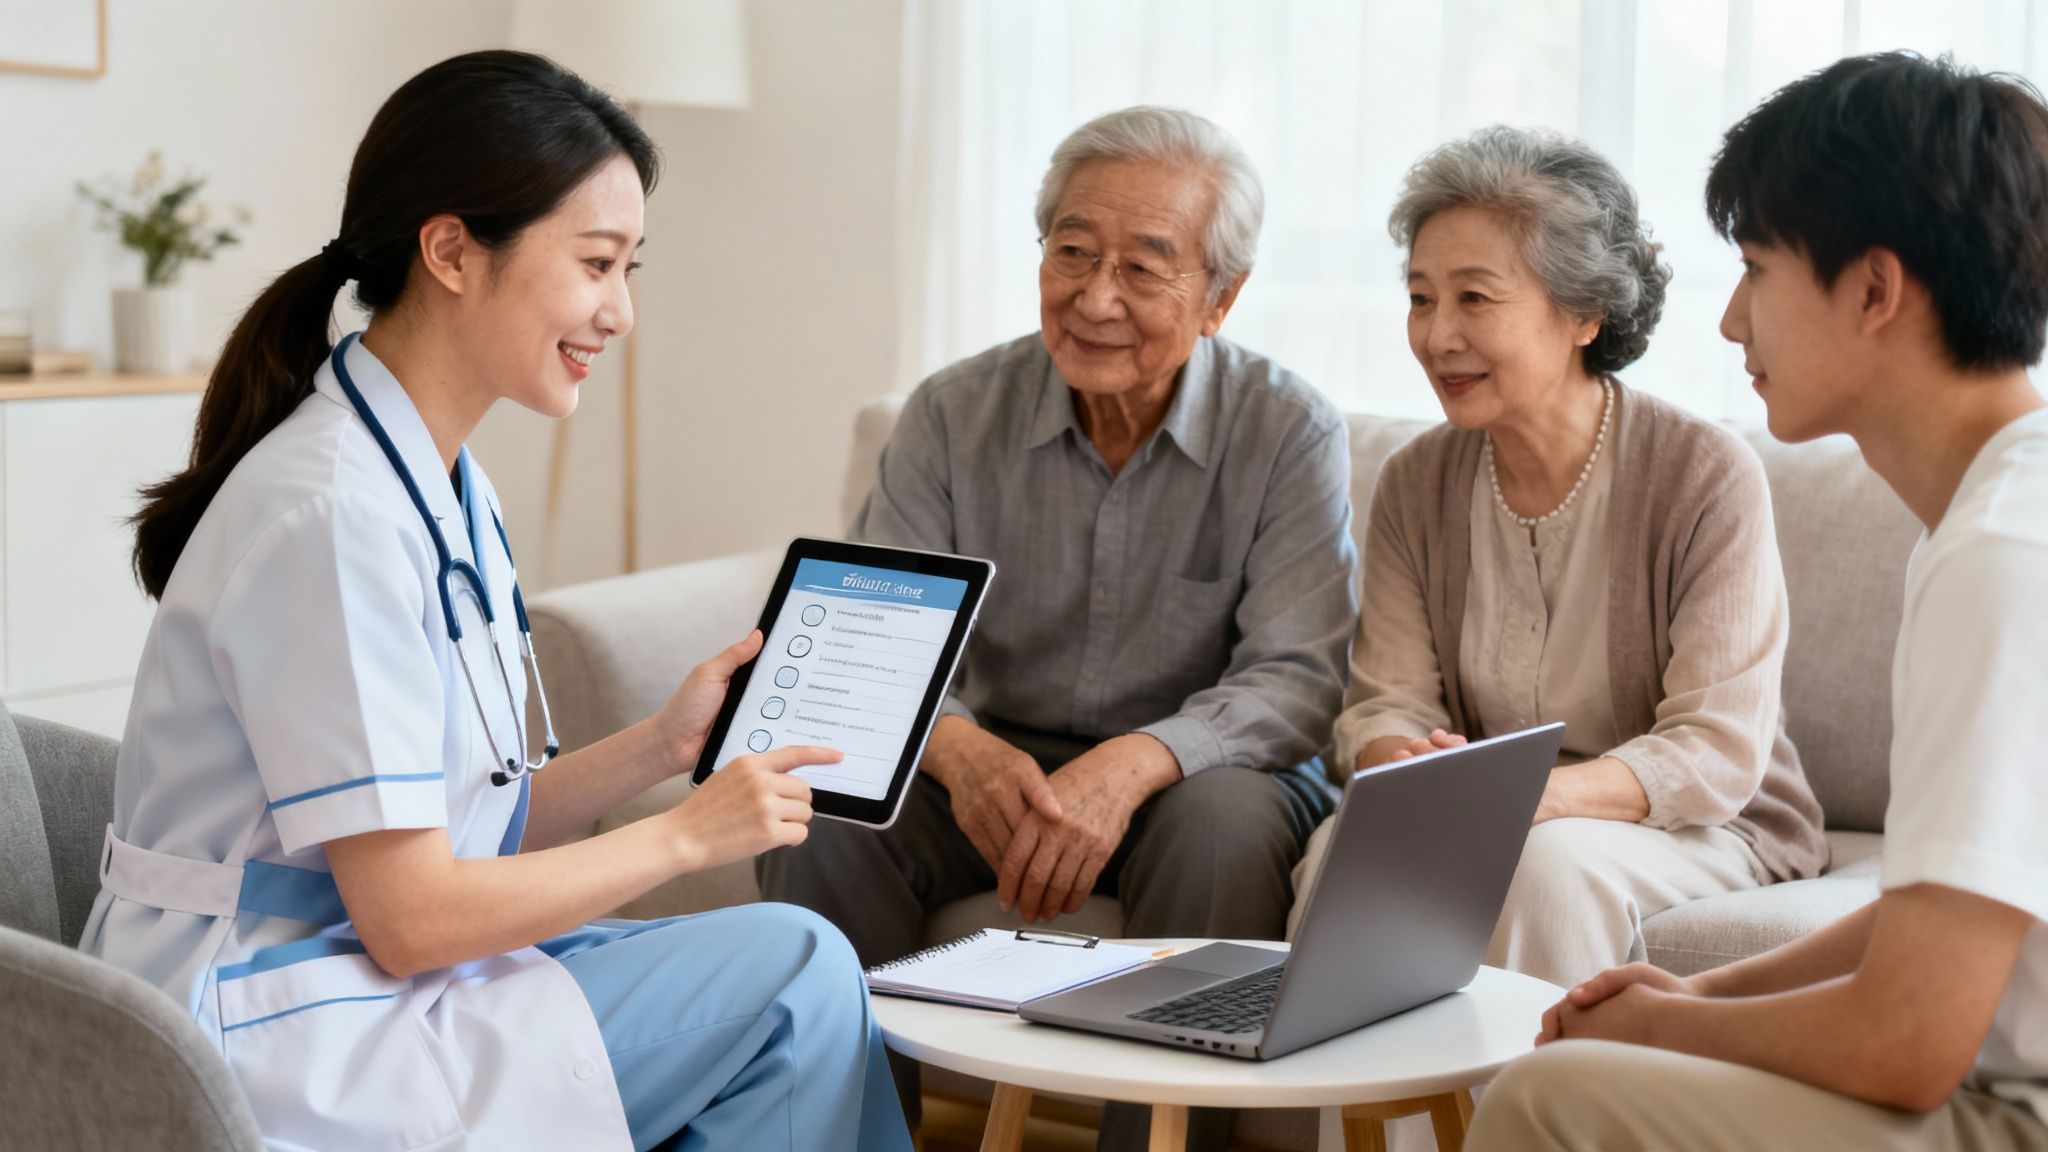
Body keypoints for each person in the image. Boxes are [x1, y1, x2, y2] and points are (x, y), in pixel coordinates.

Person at [79, 50, 909, 1152]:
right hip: (267, 1021)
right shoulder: (334, 515)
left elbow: (463, 824)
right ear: (452, 251)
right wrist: (682, 842)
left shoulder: (441, 481)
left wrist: (661, 748)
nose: (619, 313)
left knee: (787, 984)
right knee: (794, 968)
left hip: (364, 970)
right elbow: (414, 913)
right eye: (597, 264)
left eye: (630, 271)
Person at [1466, 52, 2048, 1151]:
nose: (1731, 322)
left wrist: (1662, 1035)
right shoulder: (1996, 513)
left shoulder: (2000, 558)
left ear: (1873, 289)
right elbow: (1950, 903)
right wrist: (1700, 999)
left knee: (1550, 1097)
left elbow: (1907, 1044)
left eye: (1754, 269)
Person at [758, 105, 1357, 1152]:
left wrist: (1129, 767)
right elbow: (865, 647)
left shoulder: (1286, 430)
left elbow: (1295, 680)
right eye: (1071, 251)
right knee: (824, 809)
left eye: (1143, 267)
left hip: (1194, 774)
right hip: (1001, 757)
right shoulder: (951, 414)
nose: (1094, 297)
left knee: (1221, 825)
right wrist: (965, 754)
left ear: (1219, 298)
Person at [1292, 127, 1828, 987]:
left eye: (1475, 298)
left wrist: (1534, 800)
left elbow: (1716, 748)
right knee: (1340, 854)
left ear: (1585, 313)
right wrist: (1398, 761)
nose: (1437, 337)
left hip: (1698, 826)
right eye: (1422, 298)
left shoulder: (1702, 474)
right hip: (1484, 811)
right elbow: (1386, 699)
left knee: (1546, 867)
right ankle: (1368, 1123)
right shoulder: (1415, 480)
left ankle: (1532, 1119)